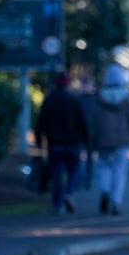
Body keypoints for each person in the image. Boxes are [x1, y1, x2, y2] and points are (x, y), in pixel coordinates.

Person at [91, 47, 129, 216]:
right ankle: (116, 201)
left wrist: (91, 142)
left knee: (103, 168)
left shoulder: (99, 97)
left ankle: (104, 190)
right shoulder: (128, 98)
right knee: (120, 171)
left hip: (103, 140)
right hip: (122, 140)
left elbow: (93, 122)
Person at [34, 72, 89, 214]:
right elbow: (82, 122)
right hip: (72, 143)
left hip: (54, 144)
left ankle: (58, 204)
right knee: (74, 170)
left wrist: (40, 143)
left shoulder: (49, 100)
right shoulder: (74, 100)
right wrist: (86, 141)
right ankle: (69, 193)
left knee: (56, 174)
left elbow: (41, 123)